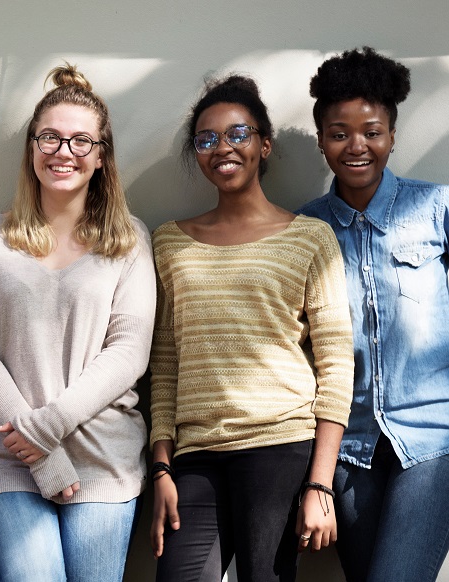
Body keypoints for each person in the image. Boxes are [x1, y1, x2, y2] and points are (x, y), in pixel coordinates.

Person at [0, 64, 153, 582]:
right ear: (31, 148)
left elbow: (129, 351)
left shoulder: (130, 240)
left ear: (102, 157)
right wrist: (40, 454)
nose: (64, 152)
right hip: (8, 459)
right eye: (51, 138)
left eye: (81, 141)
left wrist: (48, 429)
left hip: (105, 458)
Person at [149, 75, 354, 582]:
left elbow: (335, 364)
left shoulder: (310, 237)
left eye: (238, 134)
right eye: (207, 138)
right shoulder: (170, 243)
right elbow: (166, 361)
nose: (223, 148)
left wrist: (321, 486)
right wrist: (161, 466)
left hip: (281, 446)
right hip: (196, 455)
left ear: (264, 145)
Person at [296, 47, 449, 582]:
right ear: (320, 139)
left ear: (392, 135)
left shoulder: (437, 208)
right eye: (339, 133)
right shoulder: (302, 231)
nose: (356, 146)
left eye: (372, 131)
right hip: (346, 450)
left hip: (433, 439)